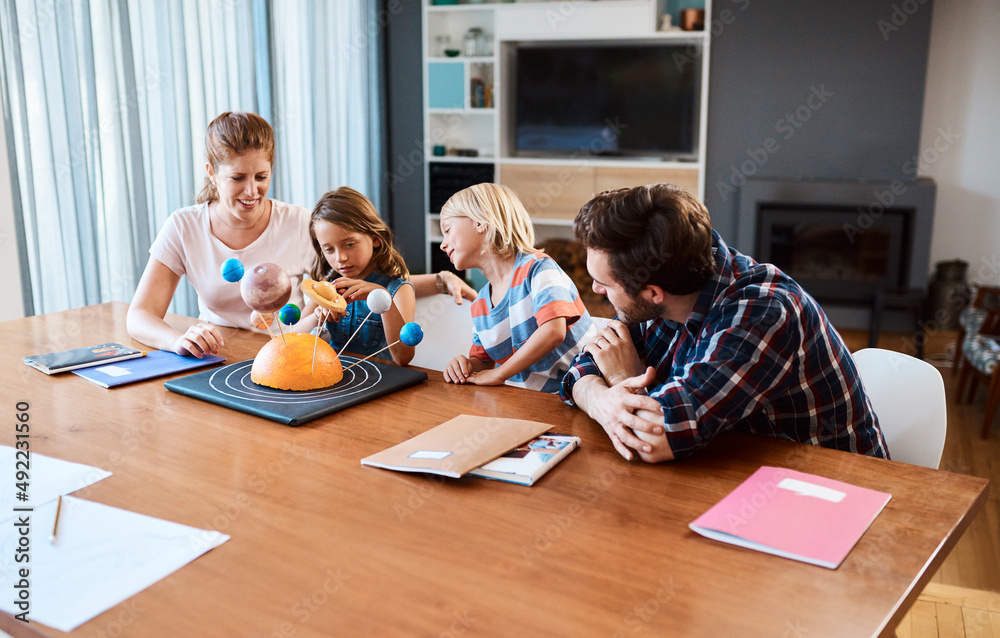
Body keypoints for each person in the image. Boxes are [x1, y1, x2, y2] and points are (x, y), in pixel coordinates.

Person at [559, 183, 888, 463]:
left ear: (653, 293)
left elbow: (653, 440)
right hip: (736, 464)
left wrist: (621, 378)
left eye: (604, 283)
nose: (595, 290)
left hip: (831, 486)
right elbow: (582, 368)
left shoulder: (762, 314)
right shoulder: (666, 274)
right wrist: (603, 401)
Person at [127, 111, 475, 358]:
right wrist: (178, 340)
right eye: (237, 178)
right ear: (211, 173)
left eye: (261, 176)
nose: (252, 190)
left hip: (288, 353)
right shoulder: (183, 226)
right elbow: (140, 316)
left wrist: (442, 280)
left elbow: (355, 276)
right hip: (219, 357)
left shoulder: (297, 222)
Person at [439, 183, 596, 393]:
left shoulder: (538, 268)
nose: (443, 244)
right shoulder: (480, 305)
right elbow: (484, 363)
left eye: (447, 230)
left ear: (480, 222)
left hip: (585, 393)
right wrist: (465, 365)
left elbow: (553, 331)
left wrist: (499, 374)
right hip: (531, 402)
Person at [297, 186, 416, 366]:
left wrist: (382, 298)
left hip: (379, 384)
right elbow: (292, 340)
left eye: (349, 244)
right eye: (329, 249)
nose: (340, 258)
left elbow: (404, 357)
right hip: (333, 381)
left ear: (375, 238)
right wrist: (317, 317)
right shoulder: (327, 288)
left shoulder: (399, 290)